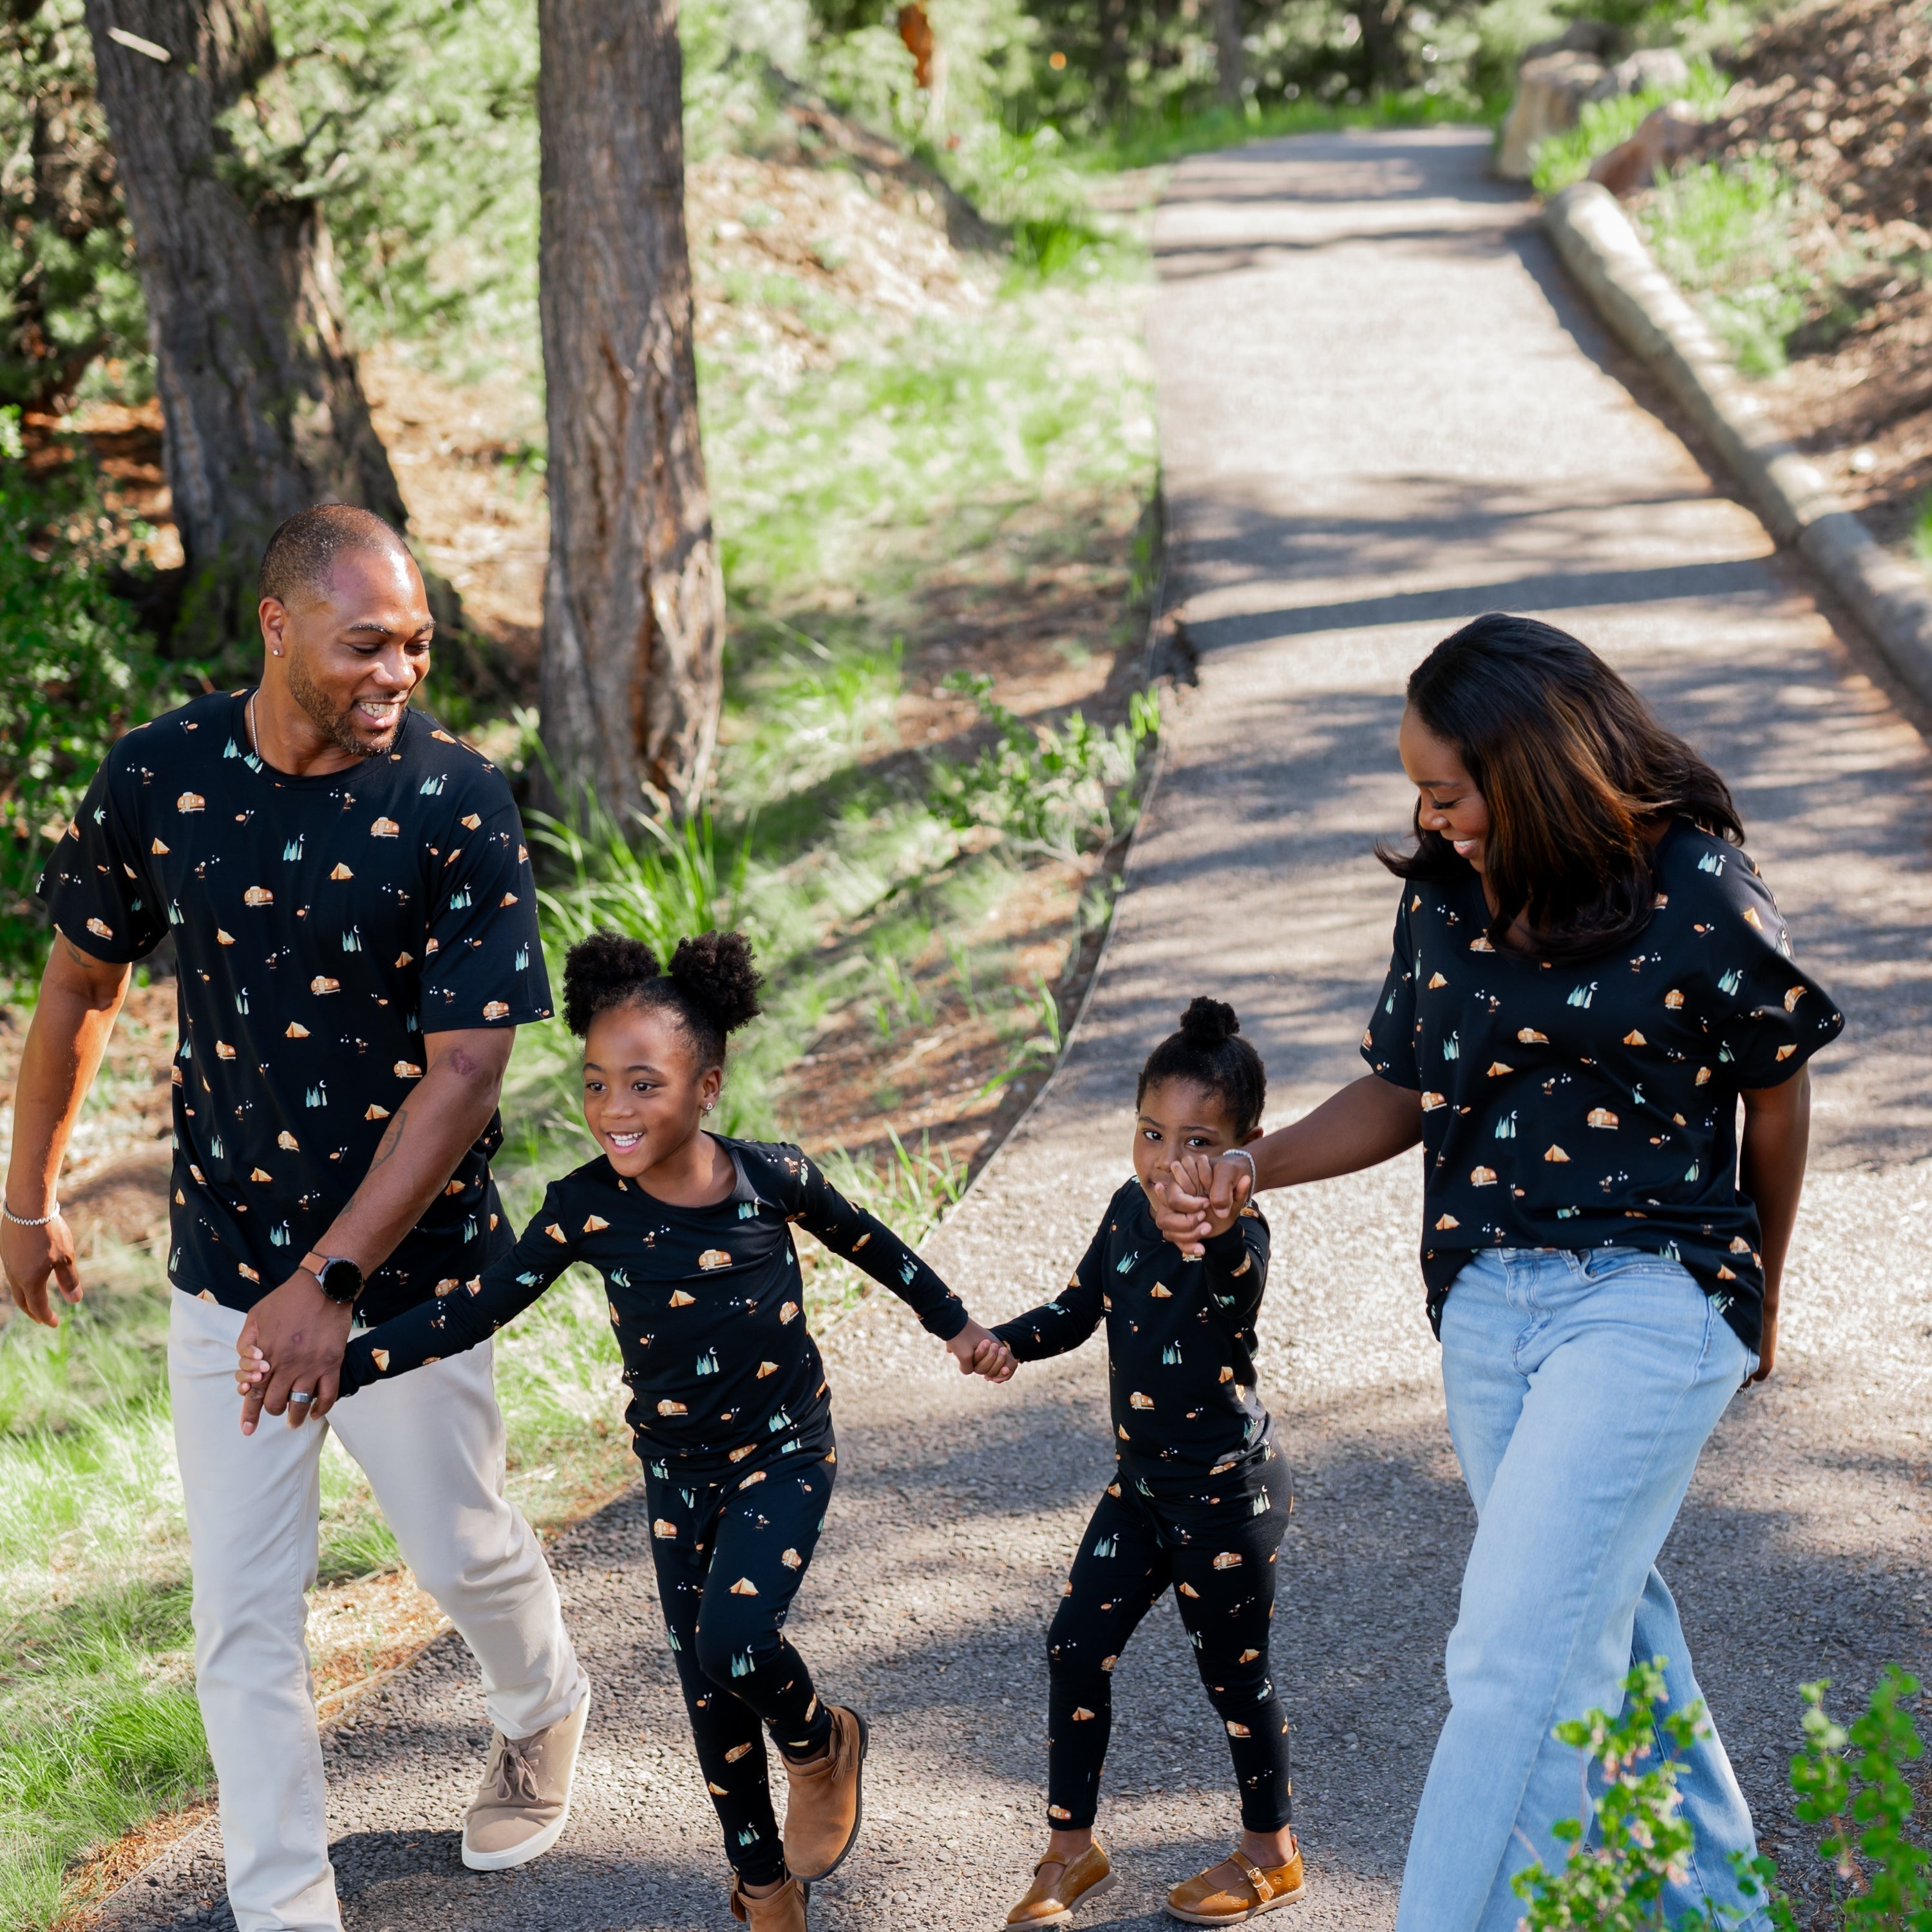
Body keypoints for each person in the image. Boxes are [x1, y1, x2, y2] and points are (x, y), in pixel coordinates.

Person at [1153, 614, 1841, 1932]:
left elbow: (1776, 1091)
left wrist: (1763, 1286)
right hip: (1484, 1305)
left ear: (1530, 770)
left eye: (1449, 791)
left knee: (1512, 1658)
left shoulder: (1698, 885)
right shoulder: (1446, 894)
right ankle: (1725, 1914)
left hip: (1654, 1294)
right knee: (1601, 1620)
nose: (1430, 817)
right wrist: (1251, 1166)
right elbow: (1405, 1082)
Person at [3, 506, 590, 1932]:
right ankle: (286, 1908)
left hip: (410, 1279)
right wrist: (26, 1199)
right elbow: (81, 983)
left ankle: (543, 1699)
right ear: (277, 627)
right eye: (366, 644)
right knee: (244, 1617)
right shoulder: (162, 775)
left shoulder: (456, 799)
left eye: (417, 645)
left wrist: (332, 1281)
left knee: (459, 1549)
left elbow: (467, 1073)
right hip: (225, 1272)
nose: (400, 673)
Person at [243, 928, 1017, 1932]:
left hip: (784, 1450)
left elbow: (873, 1242)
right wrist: (343, 1364)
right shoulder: (585, 1209)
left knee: (737, 1643)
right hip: (676, 1474)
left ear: (708, 1087)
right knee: (707, 1696)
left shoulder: (770, 1179)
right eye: (596, 1084)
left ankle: (821, 1741)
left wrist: (957, 1326)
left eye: (645, 1084)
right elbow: (473, 1309)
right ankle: (764, 1891)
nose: (614, 1108)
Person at [992, 998, 1300, 1930]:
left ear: (1246, 1151)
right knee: (1074, 1647)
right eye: (1152, 1132)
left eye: (1199, 1143)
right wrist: (1001, 1342)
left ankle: (1273, 1854)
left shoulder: (1238, 1239)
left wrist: (1214, 1225)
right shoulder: (1128, 1210)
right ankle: (1070, 1850)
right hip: (1140, 1491)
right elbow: (1076, 1308)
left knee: (1234, 1678)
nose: (1169, 1161)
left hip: (1225, 1498)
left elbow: (1232, 1288)